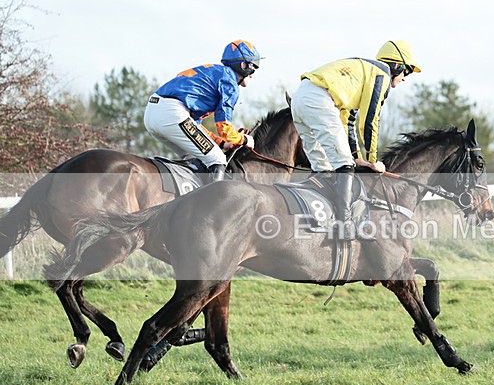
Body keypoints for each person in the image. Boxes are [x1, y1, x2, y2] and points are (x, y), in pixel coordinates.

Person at [290, 40, 421, 239]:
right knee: (343, 165)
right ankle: (345, 225)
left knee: (322, 167)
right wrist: (373, 160)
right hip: (319, 100)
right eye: (407, 72)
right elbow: (369, 121)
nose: (404, 79)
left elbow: (348, 121)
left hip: (300, 98)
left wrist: (357, 156)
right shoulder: (382, 75)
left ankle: (316, 218)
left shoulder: (363, 74)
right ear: (397, 66)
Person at [144, 40, 263, 182]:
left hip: (153, 113)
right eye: (254, 67)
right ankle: (212, 203)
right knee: (217, 159)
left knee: (197, 159)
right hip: (172, 113)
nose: (253, 74)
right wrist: (244, 139)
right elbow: (224, 128)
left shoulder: (214, 74)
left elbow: (195, 126)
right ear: (244, 65)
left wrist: (221, 143)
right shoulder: (230, 82)